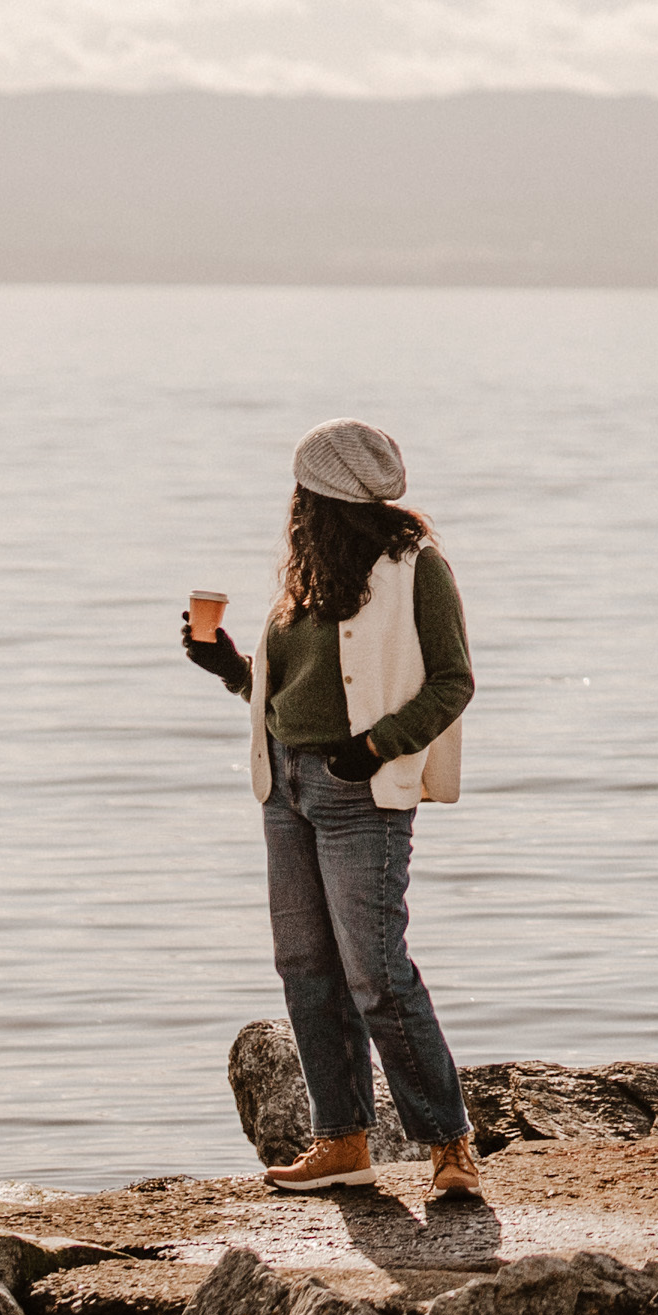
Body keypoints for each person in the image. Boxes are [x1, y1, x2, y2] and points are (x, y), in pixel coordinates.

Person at [178, 416, 483, 1204]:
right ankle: (341, 1140)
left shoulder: (417, 569)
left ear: (325, 497)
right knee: (307, 970)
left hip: (360, 794)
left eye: (303, 490)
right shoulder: (306, 577)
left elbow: (453, 683)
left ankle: (450, 1145)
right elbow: (289, 696)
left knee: (376, 973)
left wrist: (379, 746)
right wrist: (230, 667)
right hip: (285, 787)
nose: (294, 503)